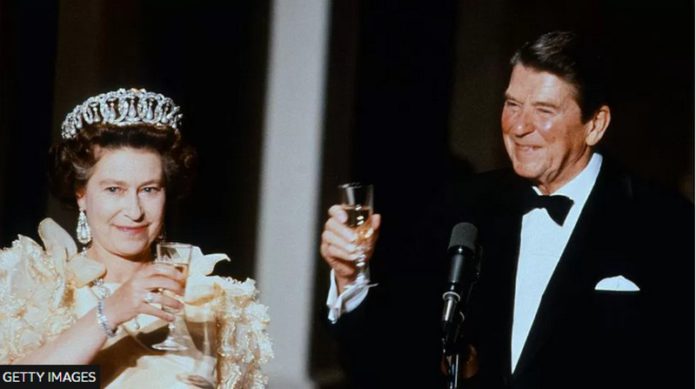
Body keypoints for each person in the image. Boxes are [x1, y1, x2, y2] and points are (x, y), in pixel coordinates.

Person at [320, 31, 693, 388]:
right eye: (512, 104)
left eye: (544, 110)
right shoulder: (464, 207)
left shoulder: (665, 223)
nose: (518, 126)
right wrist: (351, 278)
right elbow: (389, 359)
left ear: (595, 124)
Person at [0, 88, 273, 388]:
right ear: (81, 195)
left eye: (149, 189)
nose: (134, 210)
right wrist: (110, 313)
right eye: (114, 189)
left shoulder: (209, 301)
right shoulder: (43, 287)